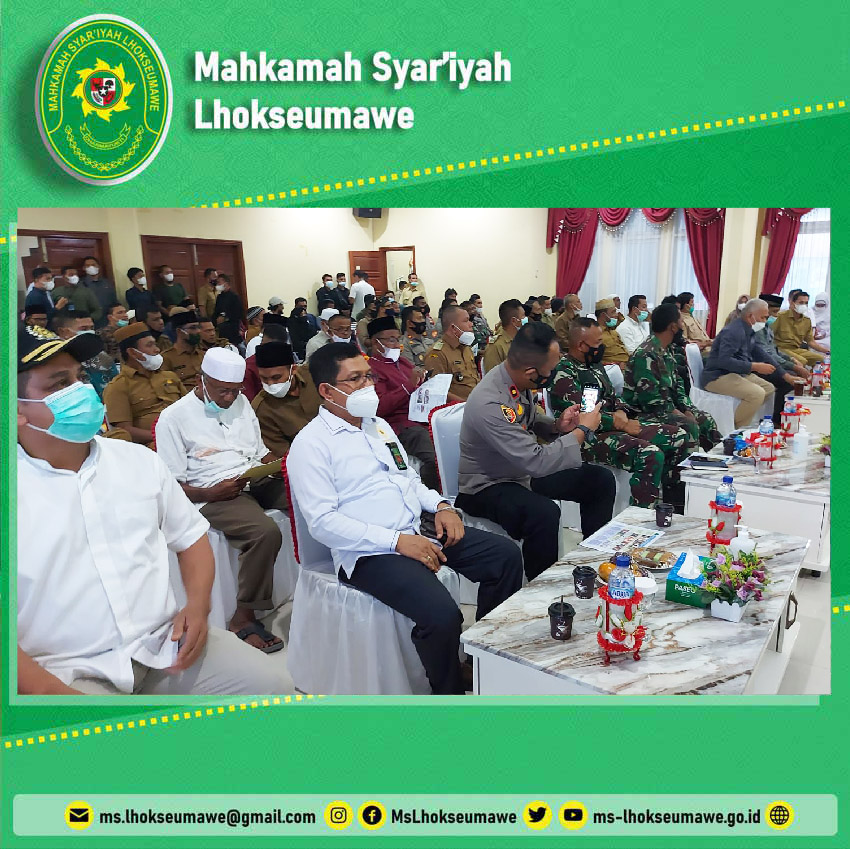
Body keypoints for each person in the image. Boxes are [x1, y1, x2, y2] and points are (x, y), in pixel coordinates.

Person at [16, 325, 285, 695]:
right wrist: (53, 695)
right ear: (15, 408)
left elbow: (190, 537)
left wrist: (198, 607)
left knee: (275, 687)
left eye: (80, 378)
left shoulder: (136, 462)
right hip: (69, 672)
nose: (80, 391)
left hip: (165, 643)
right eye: (59, 384)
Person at [287, 342, 523, 694]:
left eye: (368, 376)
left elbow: (407, 479)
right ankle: (447, 695)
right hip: (368, 552)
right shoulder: (311, 445)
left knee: (504, 557)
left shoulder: (378, 426)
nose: (368, 385)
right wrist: (396, 542)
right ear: (327, 391)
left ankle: (481, 661)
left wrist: (441, 507)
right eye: (355, 379)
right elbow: (323, 523)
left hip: (416, 529)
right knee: (442, 615)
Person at [455, 322, 615, 580]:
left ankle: (593, 563)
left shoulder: (513, 378)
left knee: (599, 480)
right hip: (487, 485)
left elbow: (526, 421)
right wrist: (582, 430)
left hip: (520, 472)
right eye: (550, 370)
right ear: (531, 372)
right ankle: (540, 588)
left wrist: (557, 426)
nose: (553, 374)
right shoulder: (490, 402)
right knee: (543, 513)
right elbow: (536, 461)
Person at [155, 348, 288, 654]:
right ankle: (243, 618)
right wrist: (209, 494)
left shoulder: (241, 402)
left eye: (235, 390)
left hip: (251, 477)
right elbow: (172, 486)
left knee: (304, 496)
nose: (229, 398)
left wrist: (282, 466)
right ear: (201, 381)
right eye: (222, 391)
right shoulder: (173, 418)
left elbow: (259, 451)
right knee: (264, 532)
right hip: (211, 491)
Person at [551, 318, 690, 508]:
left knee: (678, 437)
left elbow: (614, 396)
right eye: (598, 342)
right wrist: (621, 424)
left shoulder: (594, 364)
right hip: (587, 438)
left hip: (615, 426)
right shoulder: (564, 372)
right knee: (650, 454)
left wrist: (621, 410)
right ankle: (639, 515)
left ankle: (670, 506)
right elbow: (582, 417)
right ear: (581, 345)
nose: (602, 346)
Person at [623, 302, 722, 451]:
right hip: (644, 413)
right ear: (673, 327)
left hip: (667, 408)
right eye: (681, 321)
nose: (683, 326)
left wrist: (686, 408)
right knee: (689, 425)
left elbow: (678, 385)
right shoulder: (646, 354)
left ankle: (715, 459)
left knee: (705, 419)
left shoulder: (667, 350)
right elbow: (650, 401)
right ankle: (688, 464)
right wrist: (679, 414)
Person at [703, 298, 802, 429]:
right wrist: (754, 366)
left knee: (769, 388)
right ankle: (731, 429)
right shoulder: (734, 331)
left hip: (738, 373)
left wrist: (785, 375)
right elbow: (724, 361)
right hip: (718, 376)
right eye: (763, 317)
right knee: (757, 394)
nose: (765, 321)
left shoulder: (749, 330)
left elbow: (761, 353)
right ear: (750, 316)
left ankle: (744, 421)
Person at [368, 316, 440, 491]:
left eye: (398, 339)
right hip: (400, 425)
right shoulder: (371, 369)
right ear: (376, 342)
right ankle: (433, 499)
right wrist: (408, 386)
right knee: (435, 458)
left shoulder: (403, 362)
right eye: (391, 340)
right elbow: (380, 407)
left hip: (421, 417)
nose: (396, 345)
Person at [103, 322, 186, 444]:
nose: (157, 349)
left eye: (155, 344)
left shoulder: (169, 376)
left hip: (188, 436)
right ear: (133, 352)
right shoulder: (118, 386)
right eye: (149, 345)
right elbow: (124, 430)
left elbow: (190, 407)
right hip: (152, 445)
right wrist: (161, 436)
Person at [52, 310, 119, 399]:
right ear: (63, 331)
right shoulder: (54, 361)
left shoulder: (102, 357)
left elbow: (118, 386)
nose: (89, 332)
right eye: (83, 329)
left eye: (91, 328)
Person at [425, 305, 480, 402]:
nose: (471, 324)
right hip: (458, 407)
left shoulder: (466, 348)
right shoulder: (438, 354)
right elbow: (438, 391)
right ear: (454, 328)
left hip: (477, 401)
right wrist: (466, 405)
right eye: (466, 321)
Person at [771, 290, 828, 366]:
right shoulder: (780, 317)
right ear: (793, 303)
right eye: (801, 302)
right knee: (802, 361)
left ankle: (813, 374)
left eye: (806, 303)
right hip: (780, 348)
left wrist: (828, 351)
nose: (804, 305)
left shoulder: (807, 321)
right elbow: (769, 335)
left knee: (820, 359)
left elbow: (811, 342)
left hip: (796, 349)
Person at [161, 310, 204, 389]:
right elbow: (167, 385)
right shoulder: (166, 358)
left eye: (198, 327)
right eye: (193, 328)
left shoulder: (203, 354)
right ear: (179, 331)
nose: (198, 331)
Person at [483, 299, 525, 374]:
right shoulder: (496, 346)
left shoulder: (521, 340)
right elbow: (492, 376)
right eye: (523, 316)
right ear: (514, 321)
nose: (526, 319)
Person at [78, 256, 115, 327]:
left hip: (108, 321)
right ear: (84, 268)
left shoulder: (107, 283)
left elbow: (114, 301)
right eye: (88, 265)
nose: (91, 267)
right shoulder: (80, 284)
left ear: (98, 267)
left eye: (93, 265)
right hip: (89, 322)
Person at [593, 298, 630, 367]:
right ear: (603, 315)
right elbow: (594, 360)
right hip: (613, 368)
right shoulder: (595, 334)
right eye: (613, 312)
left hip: (628, 364)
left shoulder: (613, 332)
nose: (616, 315)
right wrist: (615, 365)